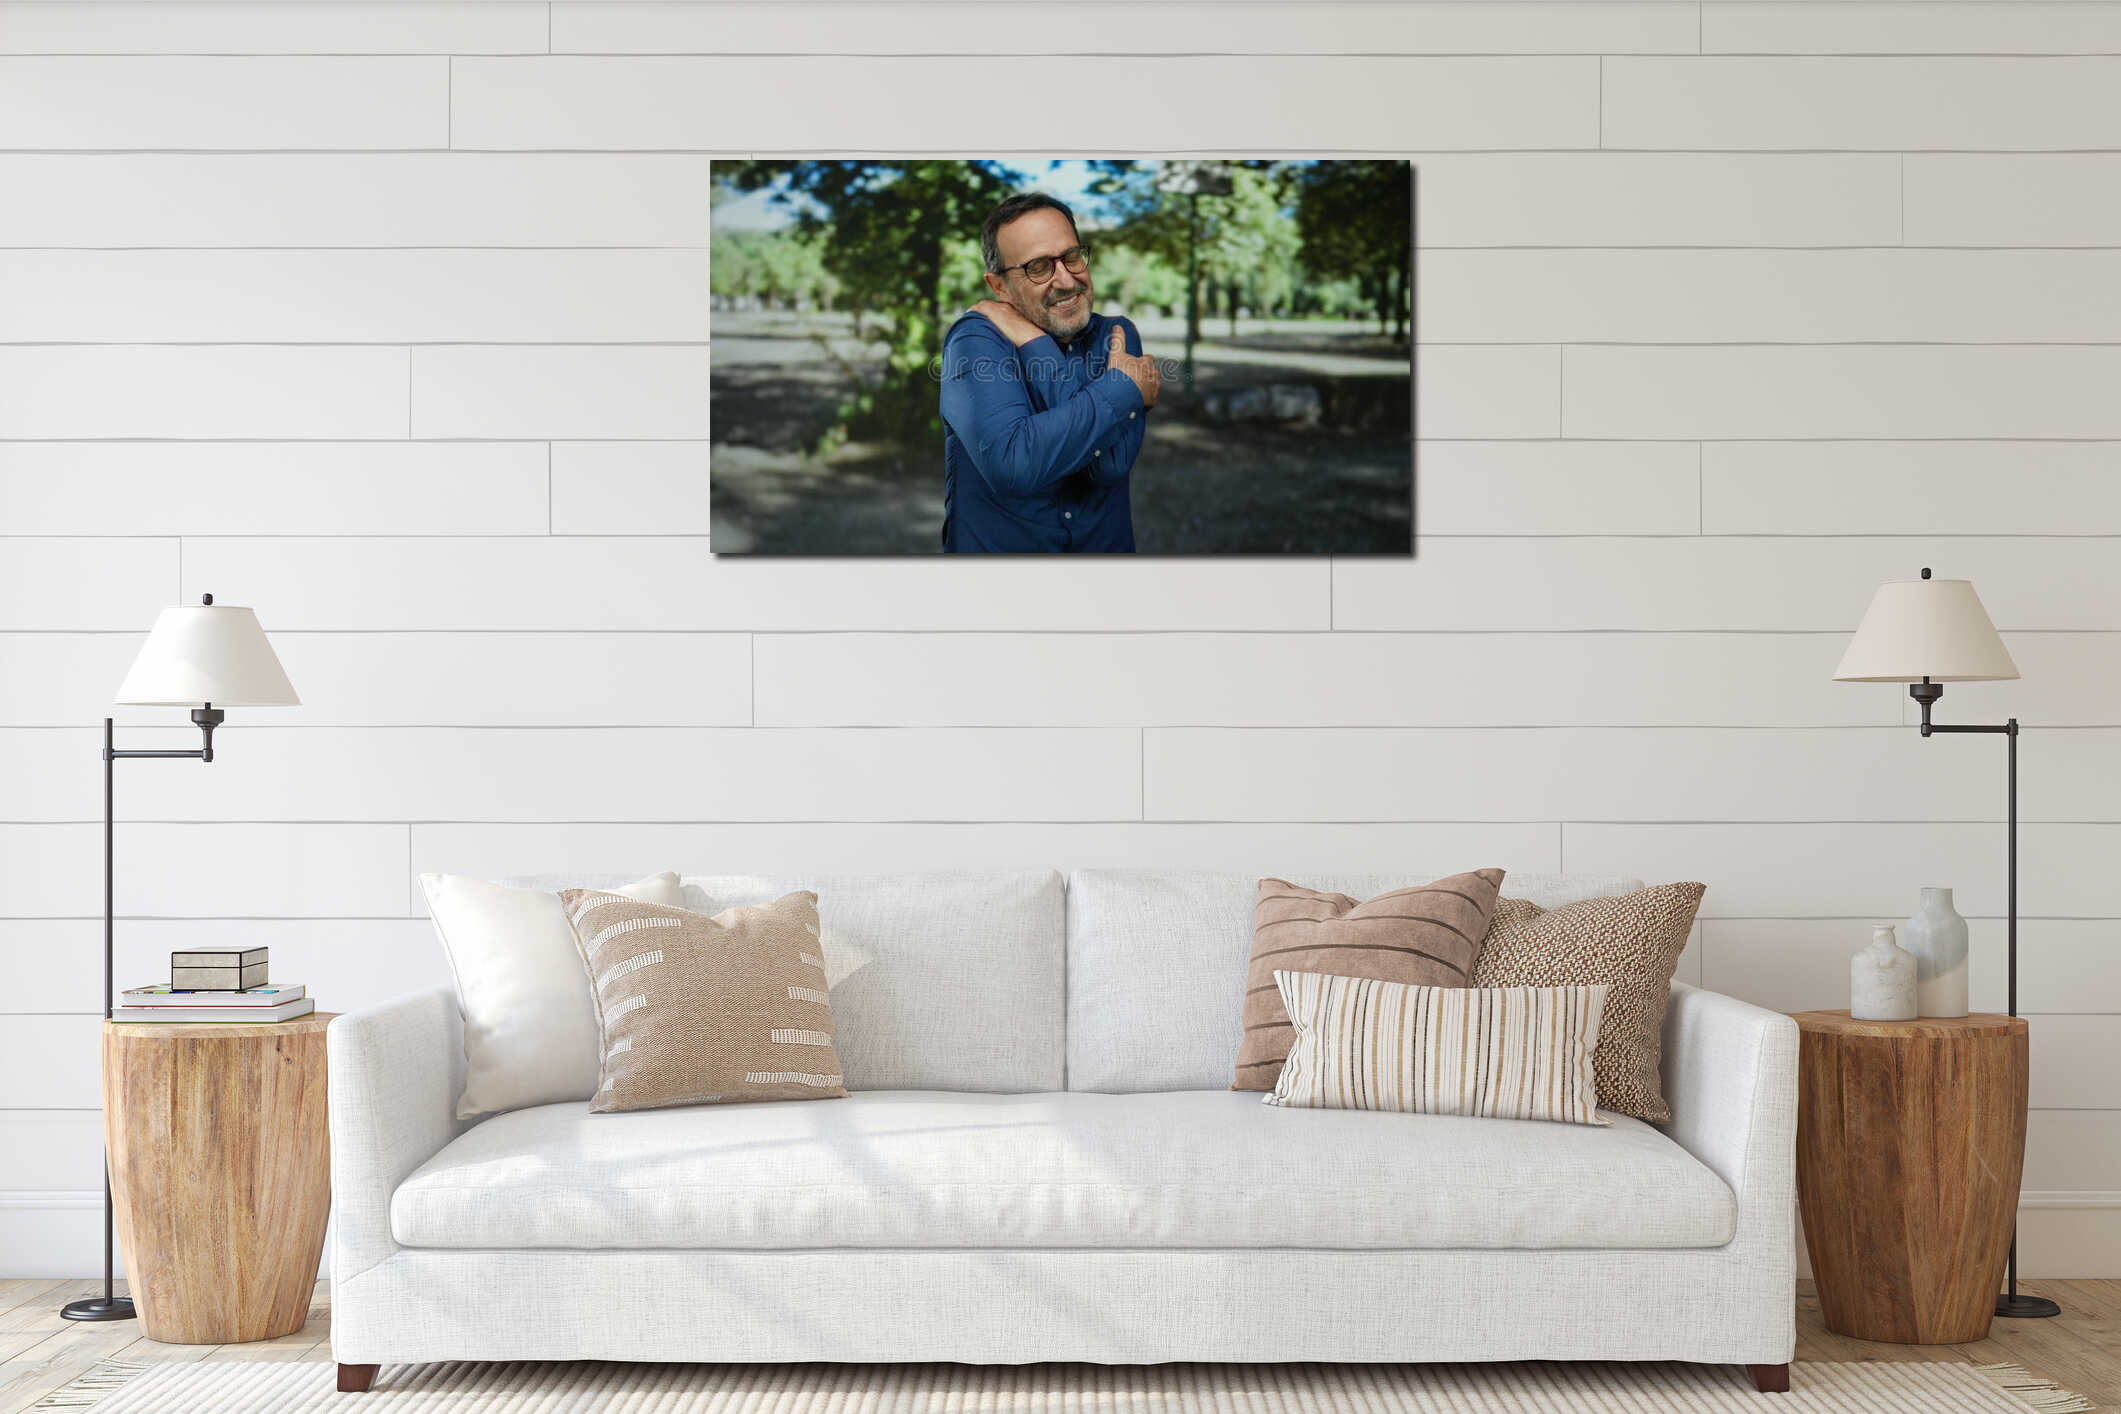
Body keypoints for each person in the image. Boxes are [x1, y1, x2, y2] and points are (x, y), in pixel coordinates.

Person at [938, 193, 1161, 553]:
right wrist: (1122, 389)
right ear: (999, 287)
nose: (1066, 280)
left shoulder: (1117, 335)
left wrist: (1030, 338)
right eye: (1038, 267)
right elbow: (1014, 464)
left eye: (1072, 257)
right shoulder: (975, 340)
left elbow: (1110, 468)